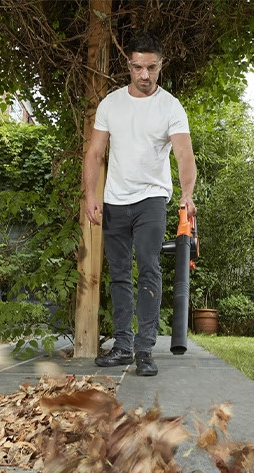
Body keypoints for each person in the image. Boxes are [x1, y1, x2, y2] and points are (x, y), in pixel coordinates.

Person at [82, 31, 197, 376]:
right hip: (115, 199)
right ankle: (122, 346)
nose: (144, 75)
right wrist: (91, 195)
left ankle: (144, 350)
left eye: (151, 67)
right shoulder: (110, 104)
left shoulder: (170, 106)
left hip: (152, 198)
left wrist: (187, 194)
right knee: (118, 274)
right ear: (128, 65)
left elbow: (184, 154)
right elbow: (95, 153)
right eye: (137, 67)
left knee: (148, 267)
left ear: (161, 64)